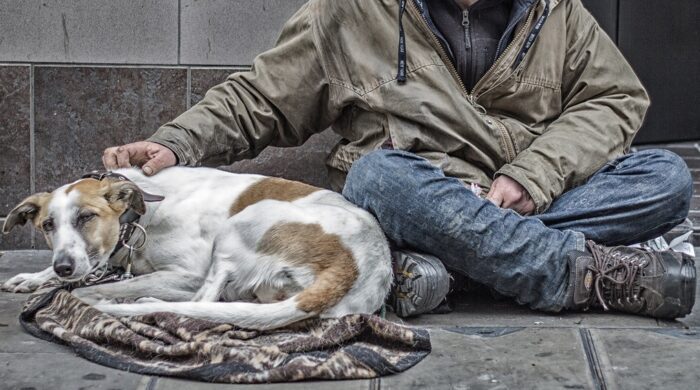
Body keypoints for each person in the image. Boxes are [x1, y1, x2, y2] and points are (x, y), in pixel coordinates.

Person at [103, 0, 696, 319]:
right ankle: (581, 274)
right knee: (377, 176)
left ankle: (444, 271)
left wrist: (531, 175)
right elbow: (262, 97)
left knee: (665, 178)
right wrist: (177, 141)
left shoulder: (557, 12)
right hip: (415, 193)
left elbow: (616, 98)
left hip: (522, 192)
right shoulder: (350, 11)